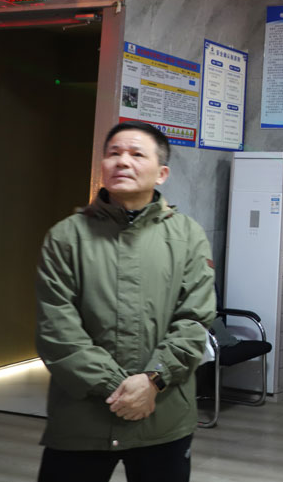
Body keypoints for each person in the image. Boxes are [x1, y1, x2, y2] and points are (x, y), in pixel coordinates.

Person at [35, 121, 216, 482]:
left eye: (136, 154)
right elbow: (56, 328)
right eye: (114, 153)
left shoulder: (187, 236)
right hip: (82, 419)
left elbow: (195, 320)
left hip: (163, 416)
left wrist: (153, 381)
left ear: (161, 173)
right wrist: (117, 389)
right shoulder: (66, 237)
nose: (122, 161)